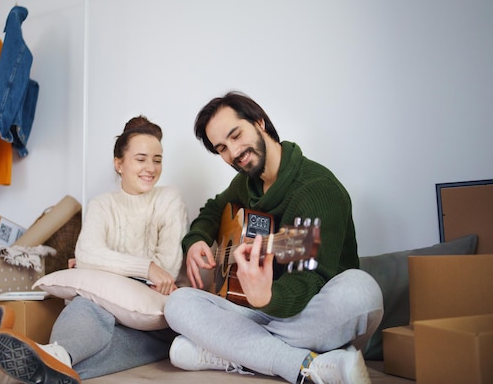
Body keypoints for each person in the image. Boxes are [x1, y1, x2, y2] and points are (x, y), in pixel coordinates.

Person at [163, 92, 383, 384]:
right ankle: (302, 362)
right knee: (178, 303)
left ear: (259, 122)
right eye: (222, 148)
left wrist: (267, 296)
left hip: (309, 313)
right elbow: (213, 209)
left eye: (236, 135)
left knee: (361, 291)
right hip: (258, 312)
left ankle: (230, 351)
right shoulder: (246, 183)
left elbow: (312, 280)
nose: (234, 153)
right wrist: (196, 240)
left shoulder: (317, 188)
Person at [0, 116, 188, 384]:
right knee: (88, 306)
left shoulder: (169, 199)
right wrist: (145, 268)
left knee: (131, 334)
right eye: (141, 159)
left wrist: (102, 267)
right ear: (118, 164)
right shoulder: (101, 204)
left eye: (157, 159)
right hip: (104, 312)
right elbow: (88, 253)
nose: (151, 168)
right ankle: (56, 358)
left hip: (154, 323)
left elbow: (165, 270)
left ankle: (19, 370)